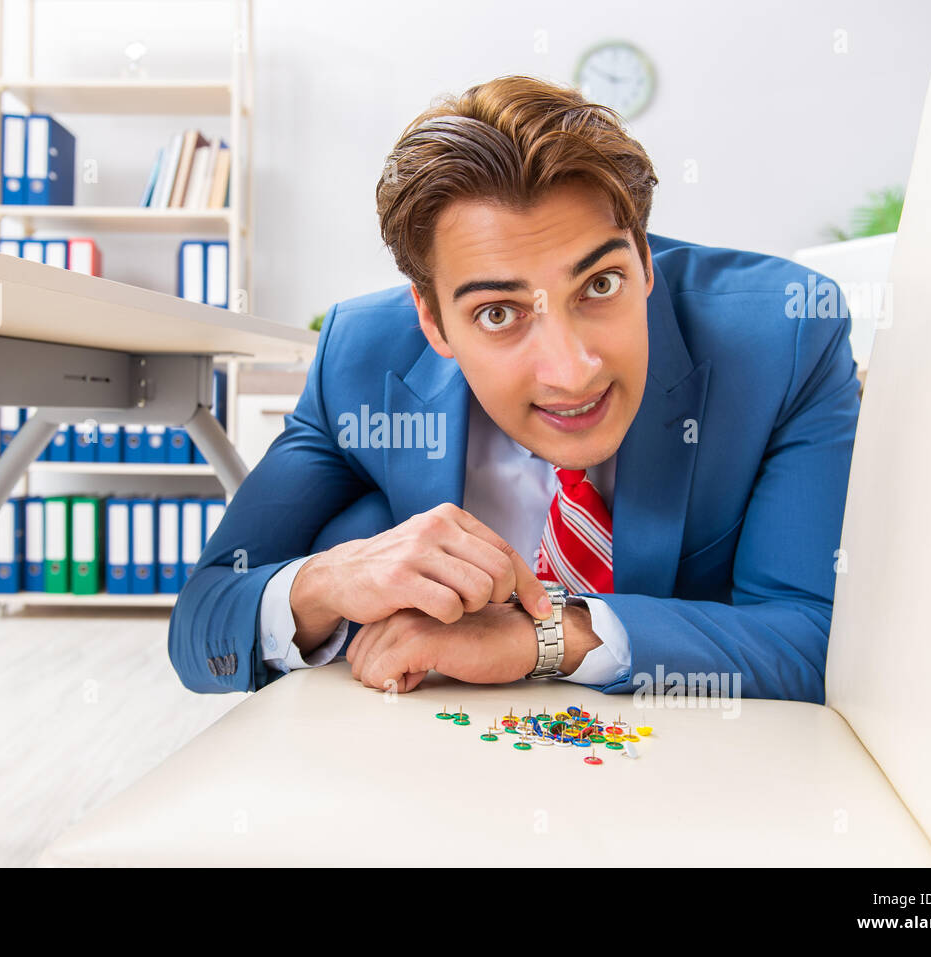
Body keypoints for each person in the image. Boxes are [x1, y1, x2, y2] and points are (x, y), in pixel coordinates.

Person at [168, 74, 860, 704]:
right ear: (433, 321)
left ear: (646, 262)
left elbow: (814, 637)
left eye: (599, 284)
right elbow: (202, 624)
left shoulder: (784, 337)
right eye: (498, 314)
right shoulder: (361, 359)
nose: (573, 369)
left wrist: (548, 637)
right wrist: (325, 581)